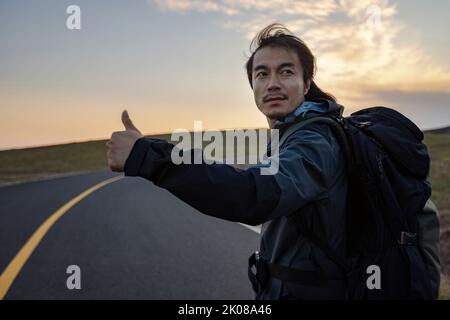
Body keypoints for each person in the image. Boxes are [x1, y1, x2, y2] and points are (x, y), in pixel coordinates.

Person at [106, 23, 348, 300]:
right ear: (253, 86)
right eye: (262, 74)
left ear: (306, 84)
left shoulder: (314, 141)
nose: (272, 83)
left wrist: (145, 155)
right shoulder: (292, 134)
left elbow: (253, 194)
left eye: (286, 71)